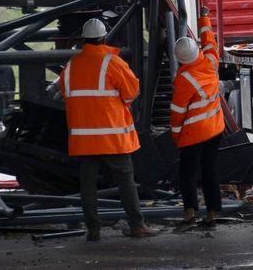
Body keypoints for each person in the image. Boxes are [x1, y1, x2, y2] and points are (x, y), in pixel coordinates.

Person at [56, 18, 158, 241]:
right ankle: (136, 225)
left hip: (84, 141)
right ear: (103, 37)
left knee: (88, 186)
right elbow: (131, 93)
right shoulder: (112, 62)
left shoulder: (71, 66)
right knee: (126, 182)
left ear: (84, 39)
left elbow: (67, 96)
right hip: (112, 137)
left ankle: (93, 230)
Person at [170, 33, 225, 227]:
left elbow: (177, 112)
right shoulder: (210, 61)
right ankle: (212, 213)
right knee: (210, 171)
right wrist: (204, 18)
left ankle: (190, 212)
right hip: (215, 129)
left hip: (193, 135)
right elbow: (210, 43)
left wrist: (176, 137)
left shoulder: (184, 79)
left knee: (187, 174)